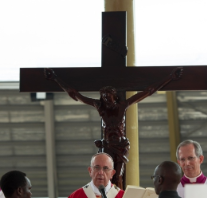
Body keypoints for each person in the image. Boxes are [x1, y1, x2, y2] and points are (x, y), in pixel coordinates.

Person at [44, 67, 183, 186]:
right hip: (107, 145)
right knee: (104, 176)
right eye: (104, 97)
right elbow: (76, 94)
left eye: (108, 97)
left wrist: (169, 77)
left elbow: (148, 91)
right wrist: (55, 78)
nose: (106, 99)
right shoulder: (100, 107)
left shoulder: (122, 106)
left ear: (114, 96)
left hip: (120, 145)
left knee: (118, 176)